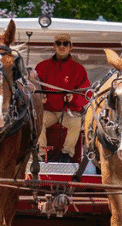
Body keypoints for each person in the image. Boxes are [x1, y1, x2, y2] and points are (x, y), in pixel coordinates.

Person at [35, 33, 90, 163]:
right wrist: (39, 96)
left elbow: (86, 93)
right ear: (54, 46)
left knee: (76, 122)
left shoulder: (78, 69)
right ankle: (41, 155)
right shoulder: (42, 67)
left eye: (65, 44)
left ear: (70, 47)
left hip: (67, 112)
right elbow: (33, 87)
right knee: (38, 119)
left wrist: (73, 98)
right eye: (58, 43)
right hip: (48, 111)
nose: (62, 46)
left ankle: (66, 155)